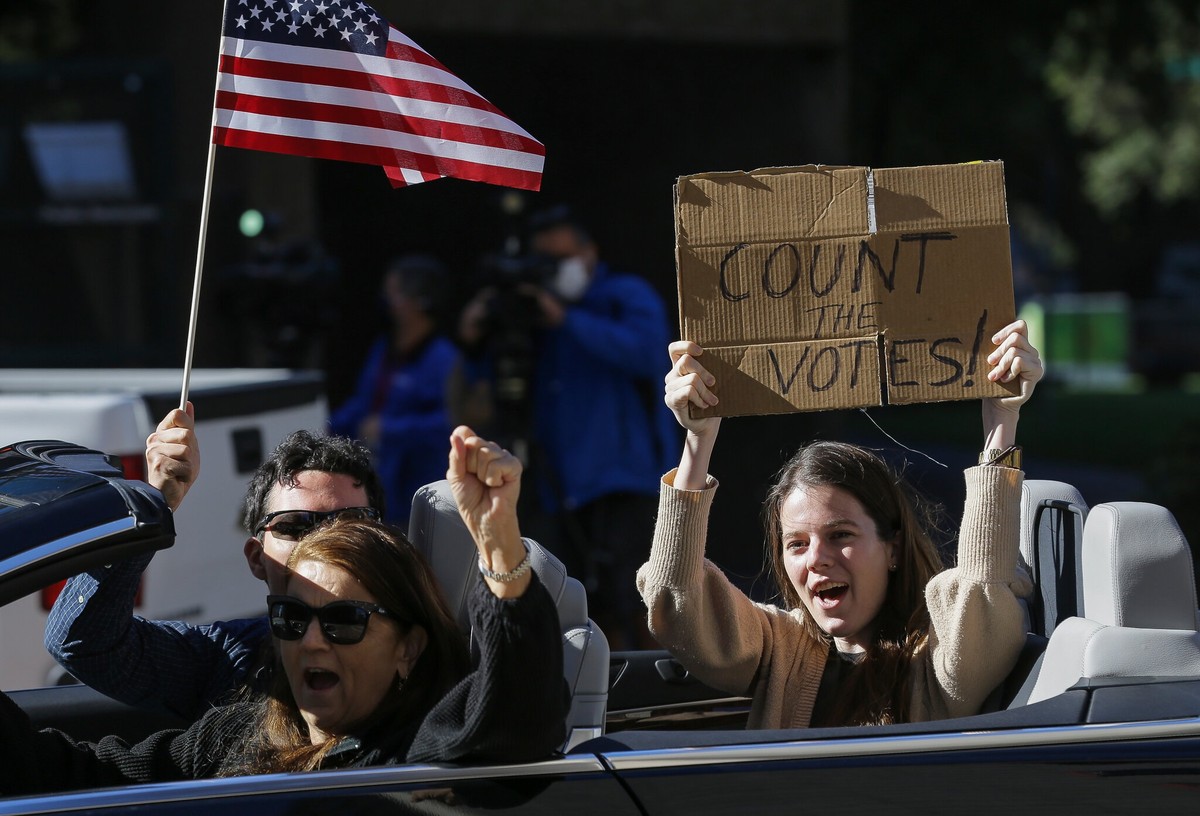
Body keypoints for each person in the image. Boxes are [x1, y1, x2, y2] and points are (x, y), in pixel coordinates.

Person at [2, 427, 566, 793]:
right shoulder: (234, 708)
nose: (312, 642)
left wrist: (499, 550)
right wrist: (152, 506)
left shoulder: (420, 738)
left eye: (346, 621)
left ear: (407, 646)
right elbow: (92, 760)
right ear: (256, 558)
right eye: (291, 623)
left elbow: (509, 724)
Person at [638, 320, 1043, 728]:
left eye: (840, 535)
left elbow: (981, 592)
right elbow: (676, 598)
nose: (817, 558)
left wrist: (1001, 418)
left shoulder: (937, 660)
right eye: (796, 543)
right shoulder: (779, 648)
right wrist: (698, 439)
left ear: (893, 548)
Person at [44, 407, 387, 720]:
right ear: (257, 559)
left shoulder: (419, 655)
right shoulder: (226, 659)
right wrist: (151, 505)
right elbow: (81, 642)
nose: (322, 545)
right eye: (294, 526)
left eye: (349, 523)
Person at [456, 205, 676, 649]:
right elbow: (491, 381)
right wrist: (477, 334)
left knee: (639, 601)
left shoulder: (622, 294)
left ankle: (656, 693)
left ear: (589, 252)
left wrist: (566, 319)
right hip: (558, 486)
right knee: (587, 607)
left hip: (623, 478)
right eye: (545, 261)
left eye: (562, 258)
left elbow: (652, 353)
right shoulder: (534, 310)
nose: (554, 271)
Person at [329, 253, 459, 528]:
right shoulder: (383, 349)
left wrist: (390, 428)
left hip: (421, 498)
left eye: (395, 294)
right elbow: (364, 404)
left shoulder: (444, 358)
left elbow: (451, 424)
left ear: (419, 302)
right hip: (376, 488)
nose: (388, 303)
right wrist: (323, 425)